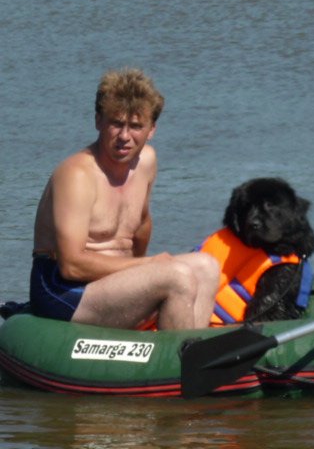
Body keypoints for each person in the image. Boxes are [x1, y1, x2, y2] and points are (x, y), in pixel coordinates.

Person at [30, 68, 220, 329]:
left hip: (114, 285)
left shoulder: (147, 162)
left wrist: (145, 277)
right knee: (176, 277)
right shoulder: (76, 174)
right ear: (98, 121)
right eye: (116, 123)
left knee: (206, 266)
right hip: (63, 291)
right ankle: (179, 362)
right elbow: (71, 266)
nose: (124, 137)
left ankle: (191, 352)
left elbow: (140, 225)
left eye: (136, 126)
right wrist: (149, 266)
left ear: (152, 129)